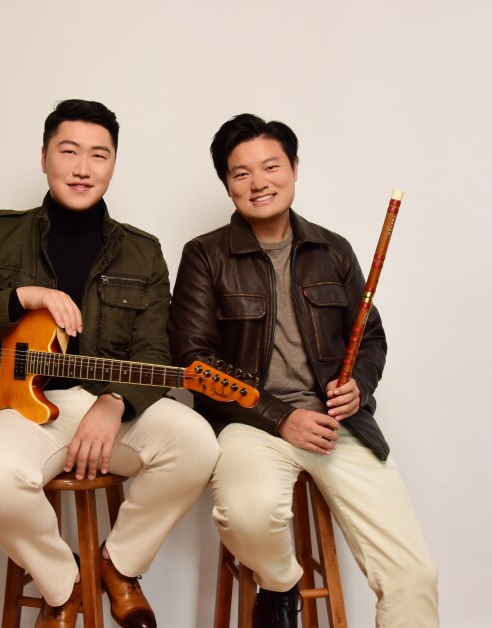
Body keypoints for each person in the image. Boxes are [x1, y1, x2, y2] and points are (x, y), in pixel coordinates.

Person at [0, 99, 219, 628]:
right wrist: (21, 297)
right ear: (43, 158)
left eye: (99, 155)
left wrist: (116, 402)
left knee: (198, 444)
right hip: (22, 408)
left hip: (111, 403)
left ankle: (117, 565)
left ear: (113, 165)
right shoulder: (1, 234)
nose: (83, 168)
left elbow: (155, 351)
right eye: (69, 151)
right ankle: (66, 588)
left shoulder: (143, 251)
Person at [167, 113, 439, 628]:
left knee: (413, 575)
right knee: (245, 517)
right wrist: (279, 416)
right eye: (240, 172)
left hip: (338, 427)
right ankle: (282, 580)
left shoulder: (332, 249)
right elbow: (192, 360)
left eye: (271, 166)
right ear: (227, 185)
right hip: (249, 423)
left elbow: (371, 335)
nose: (258, 182)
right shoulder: (204, 255)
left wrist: (358, 385)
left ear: (293, 168)